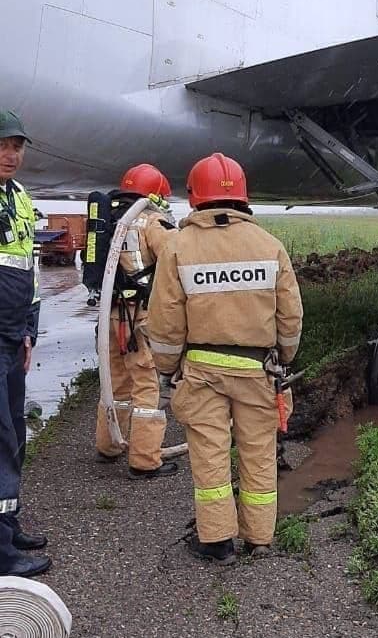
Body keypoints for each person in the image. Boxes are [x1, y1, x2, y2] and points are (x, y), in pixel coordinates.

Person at [147, 153, 303, 565]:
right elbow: (290, 317)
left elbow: (164, 322)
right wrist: (284, 357)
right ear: (244, 199)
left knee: (210, 454)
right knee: (258, 453)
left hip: (202, 372)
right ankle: (260, 538)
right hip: (258, 370)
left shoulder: (178, 247)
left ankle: (217, 542)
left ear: (196, 197)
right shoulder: (269, 246)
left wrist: (166, 369)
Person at [95, 164, 177, 478]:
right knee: (146, 387)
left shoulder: (110, 221)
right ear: (154, 194)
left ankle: (108, 445)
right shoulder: (151, 221)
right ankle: (144, 461)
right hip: (139, 317)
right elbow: (176, 257)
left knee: (115, 383)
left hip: (112, 314)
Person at [0, 111, 50, 577]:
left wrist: (29, 330)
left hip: (13, 337)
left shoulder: (18, 199)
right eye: (2, 145)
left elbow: (27, 273)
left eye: (17, 145)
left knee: (14, 433)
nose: (11, 155)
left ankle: (7, 523)